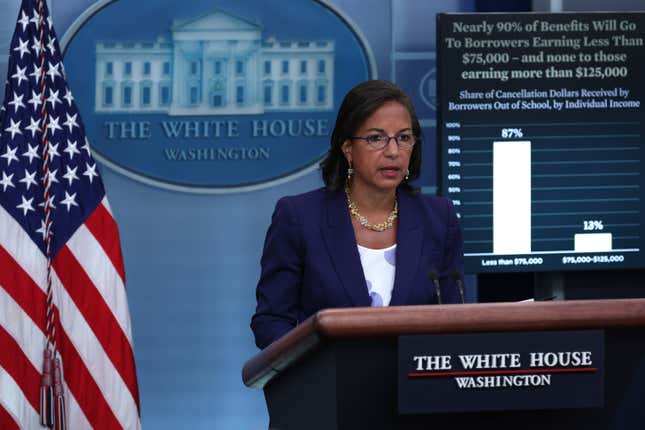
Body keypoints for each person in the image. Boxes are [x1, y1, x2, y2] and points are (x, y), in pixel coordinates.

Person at [251, 80, 463, 349]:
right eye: (376, 138)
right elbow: (271, 321)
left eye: (404, 138)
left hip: (416, 385)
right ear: (348, 148)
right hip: (331, 384)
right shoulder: (299, 218)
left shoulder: (438, 218)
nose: (393, 151)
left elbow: (456, 318)